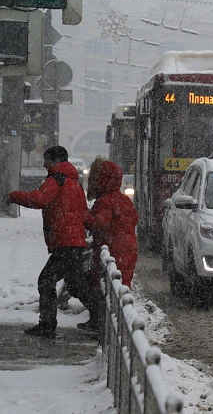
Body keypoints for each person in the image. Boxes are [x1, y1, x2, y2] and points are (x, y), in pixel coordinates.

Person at [7, 145, 98, 338]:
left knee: (46, 280)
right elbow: (83, 213)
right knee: (75, 283)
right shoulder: (75, 182)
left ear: (56, 161)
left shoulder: (55, 180)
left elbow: (39, 200)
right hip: (74, 241)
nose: (44, 163)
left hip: (64, 241)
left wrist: (14, 196)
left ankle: (47, 325)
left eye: (46, 159)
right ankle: (99, 315)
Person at [85, 160, 139, 303]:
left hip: (113, 251)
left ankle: (98, 322)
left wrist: (83, 215)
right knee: (120, 288)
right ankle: (118, 319)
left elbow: (98, 223)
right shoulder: (124, 200)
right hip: (128, 251)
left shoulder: (105, 202)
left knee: (103, 288)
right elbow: (134, 219)